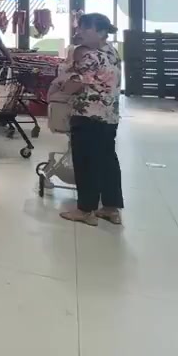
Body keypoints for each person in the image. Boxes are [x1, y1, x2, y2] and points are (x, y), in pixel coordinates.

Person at [59, 13, 124, 226]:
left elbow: (73, 85)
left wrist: (63, 85)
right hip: (109, 115)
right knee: (107, 160)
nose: (79, 32)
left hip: (87, 115)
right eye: (79, 28)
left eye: (85, 29)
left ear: (102, 32)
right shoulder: (112, 51)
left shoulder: (89, 56)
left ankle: (85, 210)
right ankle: (111, 208)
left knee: (86, 162)